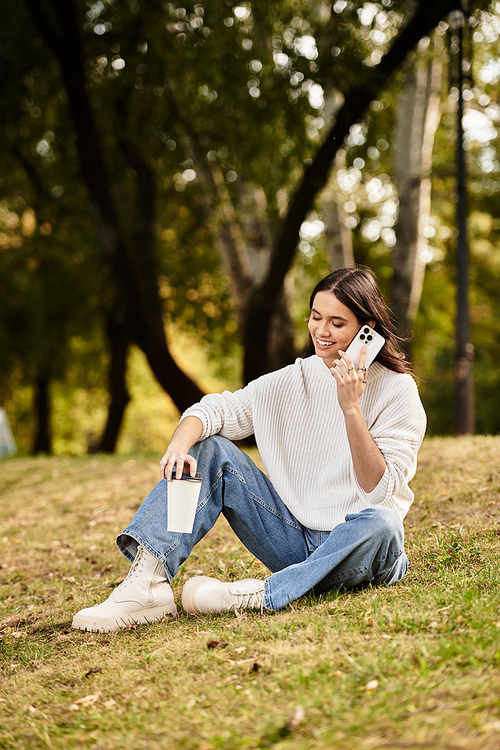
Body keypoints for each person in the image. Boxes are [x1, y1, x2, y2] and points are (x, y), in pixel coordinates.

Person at [72, 267, 426, 632]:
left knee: (383, 523)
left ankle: (261, 595)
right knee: (208, 447)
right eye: (316, 317)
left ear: (366, 329)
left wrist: (351, 407)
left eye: (338, 323)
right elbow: (213, 411)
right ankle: (148, 583)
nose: (321, 332)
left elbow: (378, 489)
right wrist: (179, 446)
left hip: (361, 547)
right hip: (294, 539)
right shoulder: (292, 380)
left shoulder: (398, 392)